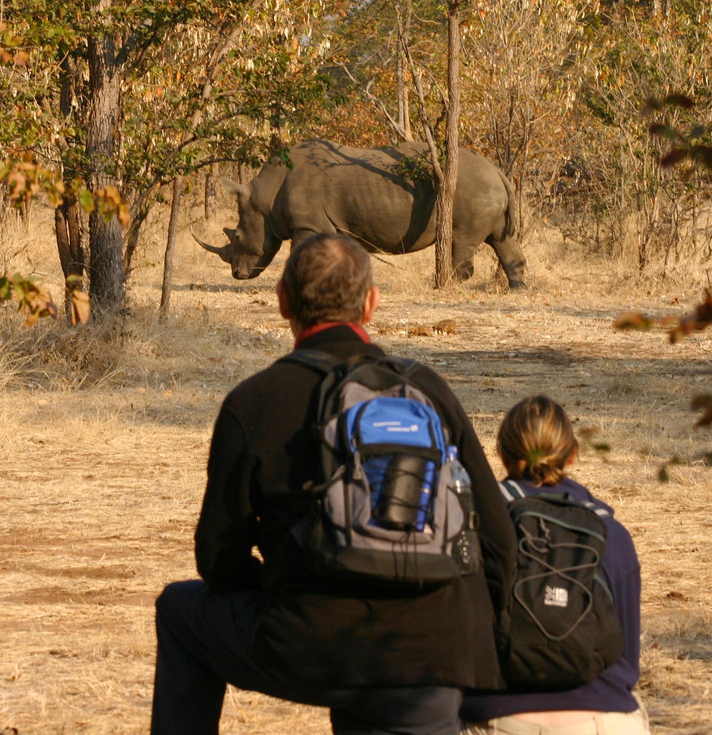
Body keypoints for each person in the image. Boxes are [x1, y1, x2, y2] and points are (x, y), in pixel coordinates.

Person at [151, 233, 517, 735]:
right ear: (371, 303)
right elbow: (498, 539)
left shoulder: (254, 400)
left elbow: (217, 559)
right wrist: (473, 629)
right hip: (436, 648)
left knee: (180, 611)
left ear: (282, 300)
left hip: (313, 640)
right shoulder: (426, 389)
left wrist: (288, 583)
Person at [460, 395, 650, 735]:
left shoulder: (475, 528)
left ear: (501, 453)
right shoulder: (612, 534)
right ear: (572, 454)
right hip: (601, 719)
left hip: (498, 718)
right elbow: (627, 661)